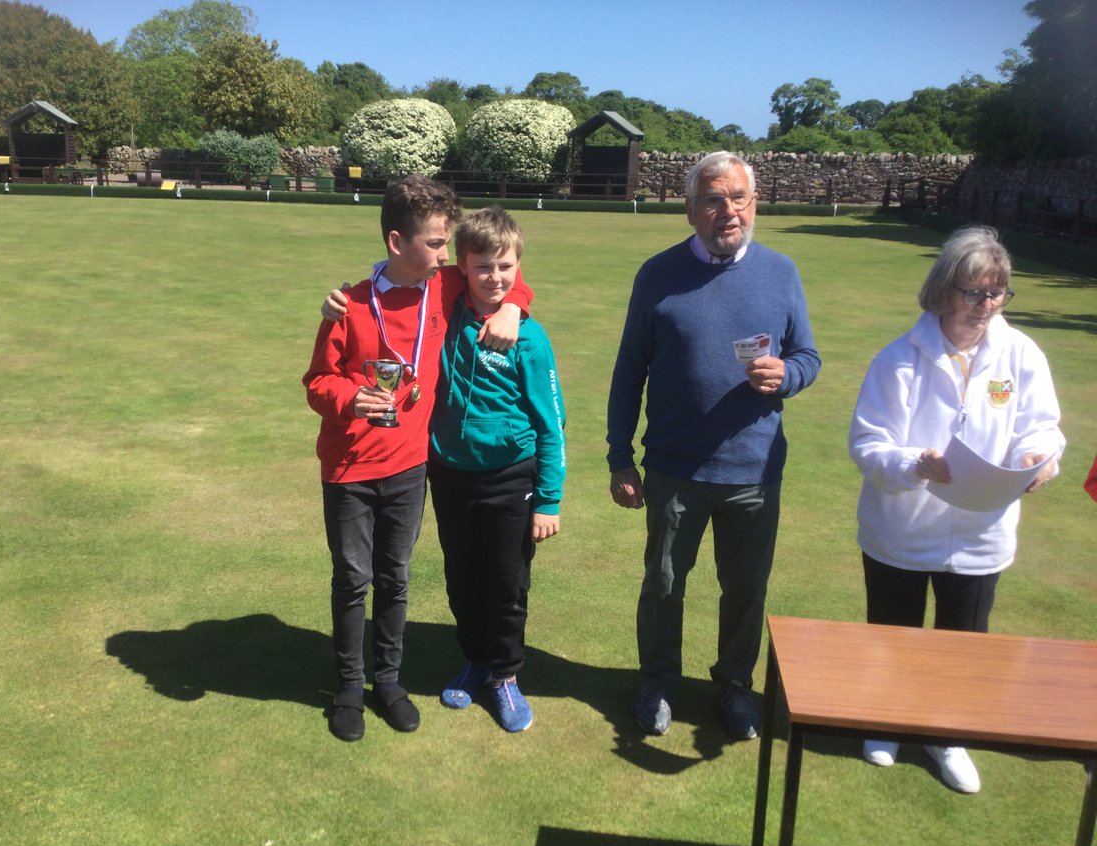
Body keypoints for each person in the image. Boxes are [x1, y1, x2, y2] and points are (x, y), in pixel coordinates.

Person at [303, 175, 532, 742]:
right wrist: (350, 398)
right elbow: (316, 381)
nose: (446, 254)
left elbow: (503, 275)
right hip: (350, 468)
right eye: (434, 242)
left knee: (395, 578)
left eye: (446, 242)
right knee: (353, 579)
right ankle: (350, 689)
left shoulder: (447, 283)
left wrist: (515, 311)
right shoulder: (349, 304)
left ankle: (389, 681)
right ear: (395, 242)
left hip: (410, 467)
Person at [606, 151, 821, 741]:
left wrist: (789, 375)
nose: (728, 211)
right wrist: (619, 456)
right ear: (690, 208)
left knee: (746, 589)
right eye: (713, 199)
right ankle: (656, 683)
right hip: (676, 467)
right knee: (665, 584)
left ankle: (734, 688)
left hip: (754, 470)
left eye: (739, 199)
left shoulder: (781, 272)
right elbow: (630, 371)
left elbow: (808, 356)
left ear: (754, 204)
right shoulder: (657, 274)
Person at [848, 225, 1065, 793]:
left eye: (996, 294)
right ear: (944, 291)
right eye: (973, 293)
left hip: (981, 534)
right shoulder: (898, 359)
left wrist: (1039, 457)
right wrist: (914, 463)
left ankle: (947, 736)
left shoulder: (1021, 355)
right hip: (901, 528)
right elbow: (867, 444)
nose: (985, 307)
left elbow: (1041, 427)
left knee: (962, 644)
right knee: (893, 632)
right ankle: (884, 722)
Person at [427, 207, 566, 733]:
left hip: (511, 476)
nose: (495, 277)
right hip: (450, 473)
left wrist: (549, 498)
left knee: (506, 583)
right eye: (483, 267)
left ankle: (506, 675)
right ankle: (476, 660)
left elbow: (552, 424)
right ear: (461, 266)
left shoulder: (528, 338)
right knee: (462, 578)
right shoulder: (442, 311)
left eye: (505, 267)